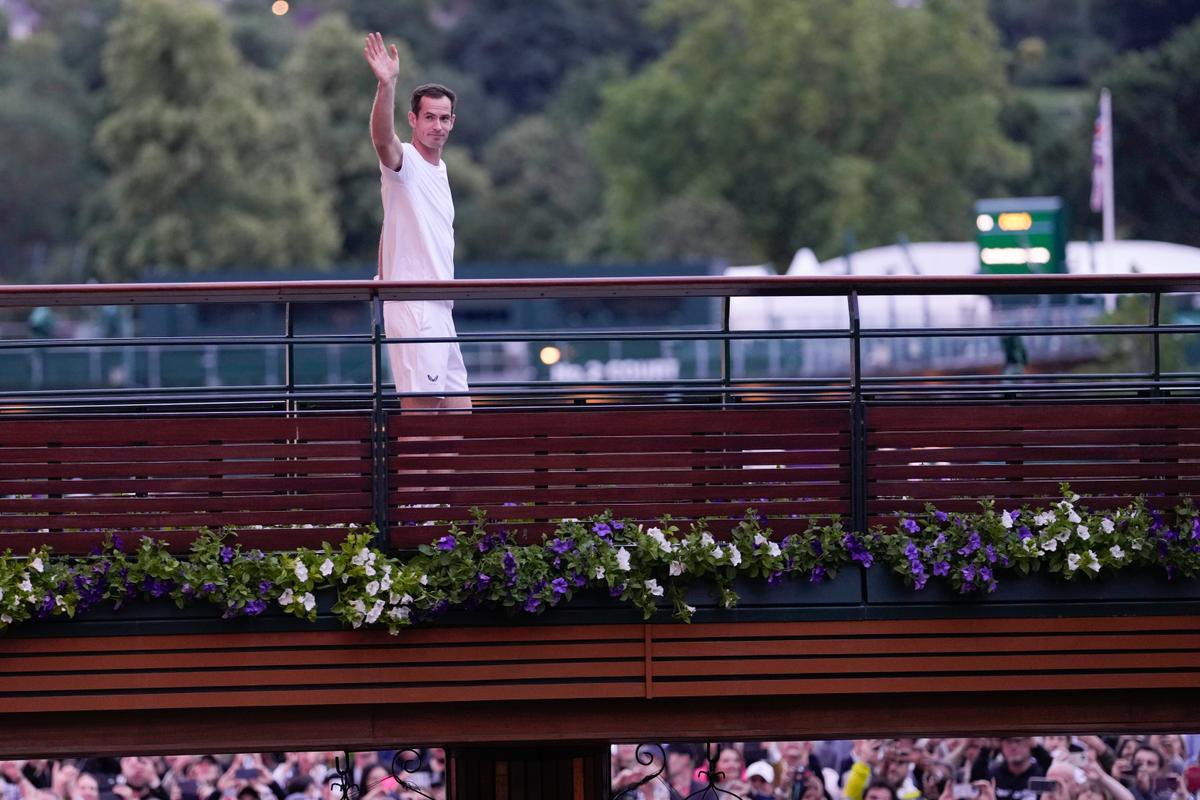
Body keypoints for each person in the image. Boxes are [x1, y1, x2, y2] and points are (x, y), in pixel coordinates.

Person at [363, 32, 471, 411]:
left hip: (442, 308)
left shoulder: (439, 170)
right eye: (429, 117)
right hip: (415, 305)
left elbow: (393, 223)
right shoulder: (405, 161)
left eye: (444, 118)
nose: (437, 126)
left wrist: (381, 271)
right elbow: (381, 140)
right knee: (423, 420)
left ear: (453, 122)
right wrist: (387, 82)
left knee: (459, 416)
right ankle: (400, 475)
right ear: (413, 119)